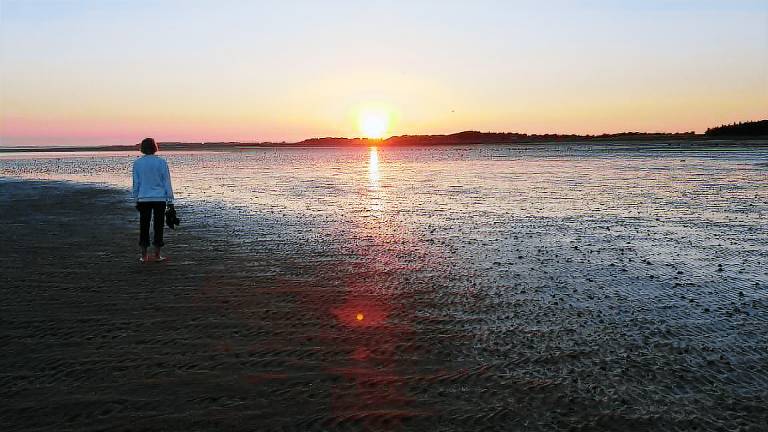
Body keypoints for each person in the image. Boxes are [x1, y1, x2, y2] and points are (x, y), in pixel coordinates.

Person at [132, 137, 174, 263]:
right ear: (155, 147)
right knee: (158, 226)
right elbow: (167, 182)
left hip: (143, 198)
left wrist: (136, 198)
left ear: (142, 148)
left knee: (144, 226)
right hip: (159, 198)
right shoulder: (161, 162)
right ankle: (157, 255)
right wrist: (170, 201)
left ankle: (144, 255)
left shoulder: (138, 163)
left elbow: (136, 183)